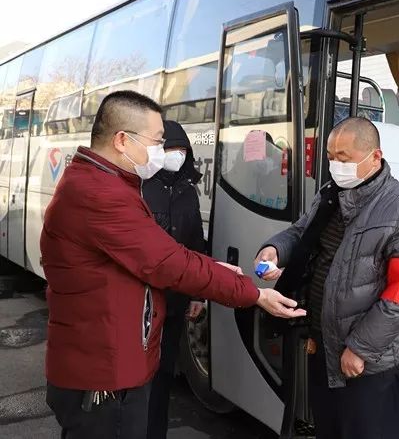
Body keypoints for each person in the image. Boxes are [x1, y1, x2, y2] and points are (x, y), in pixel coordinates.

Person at [41, 91, 305, 439]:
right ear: (122, 140)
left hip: (107, 363)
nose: (161, 151)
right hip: (104, 378)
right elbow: (168, 262)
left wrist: (212, 268)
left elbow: (166, 253)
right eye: (157, 141)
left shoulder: (104, 183)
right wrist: (254, 294)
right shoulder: (99, 194)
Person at [255, 117, 399, 439]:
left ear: (375, 157)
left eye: (344, 158)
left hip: (368, 359)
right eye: (330, 157)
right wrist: (274, 249)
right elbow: (301, 232)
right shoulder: (331, 195)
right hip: (324, 344)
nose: (336, 166)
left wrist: (360, 348)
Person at [142, 120, 206, 439]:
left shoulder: (187, 191)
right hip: (144, 300)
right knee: (140, 373)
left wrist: (197, 294)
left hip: (176, 298)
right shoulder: (140, 186)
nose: (176, 155)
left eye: (182, 149)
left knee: (164, 371)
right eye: (170, 148)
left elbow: (195, 243)